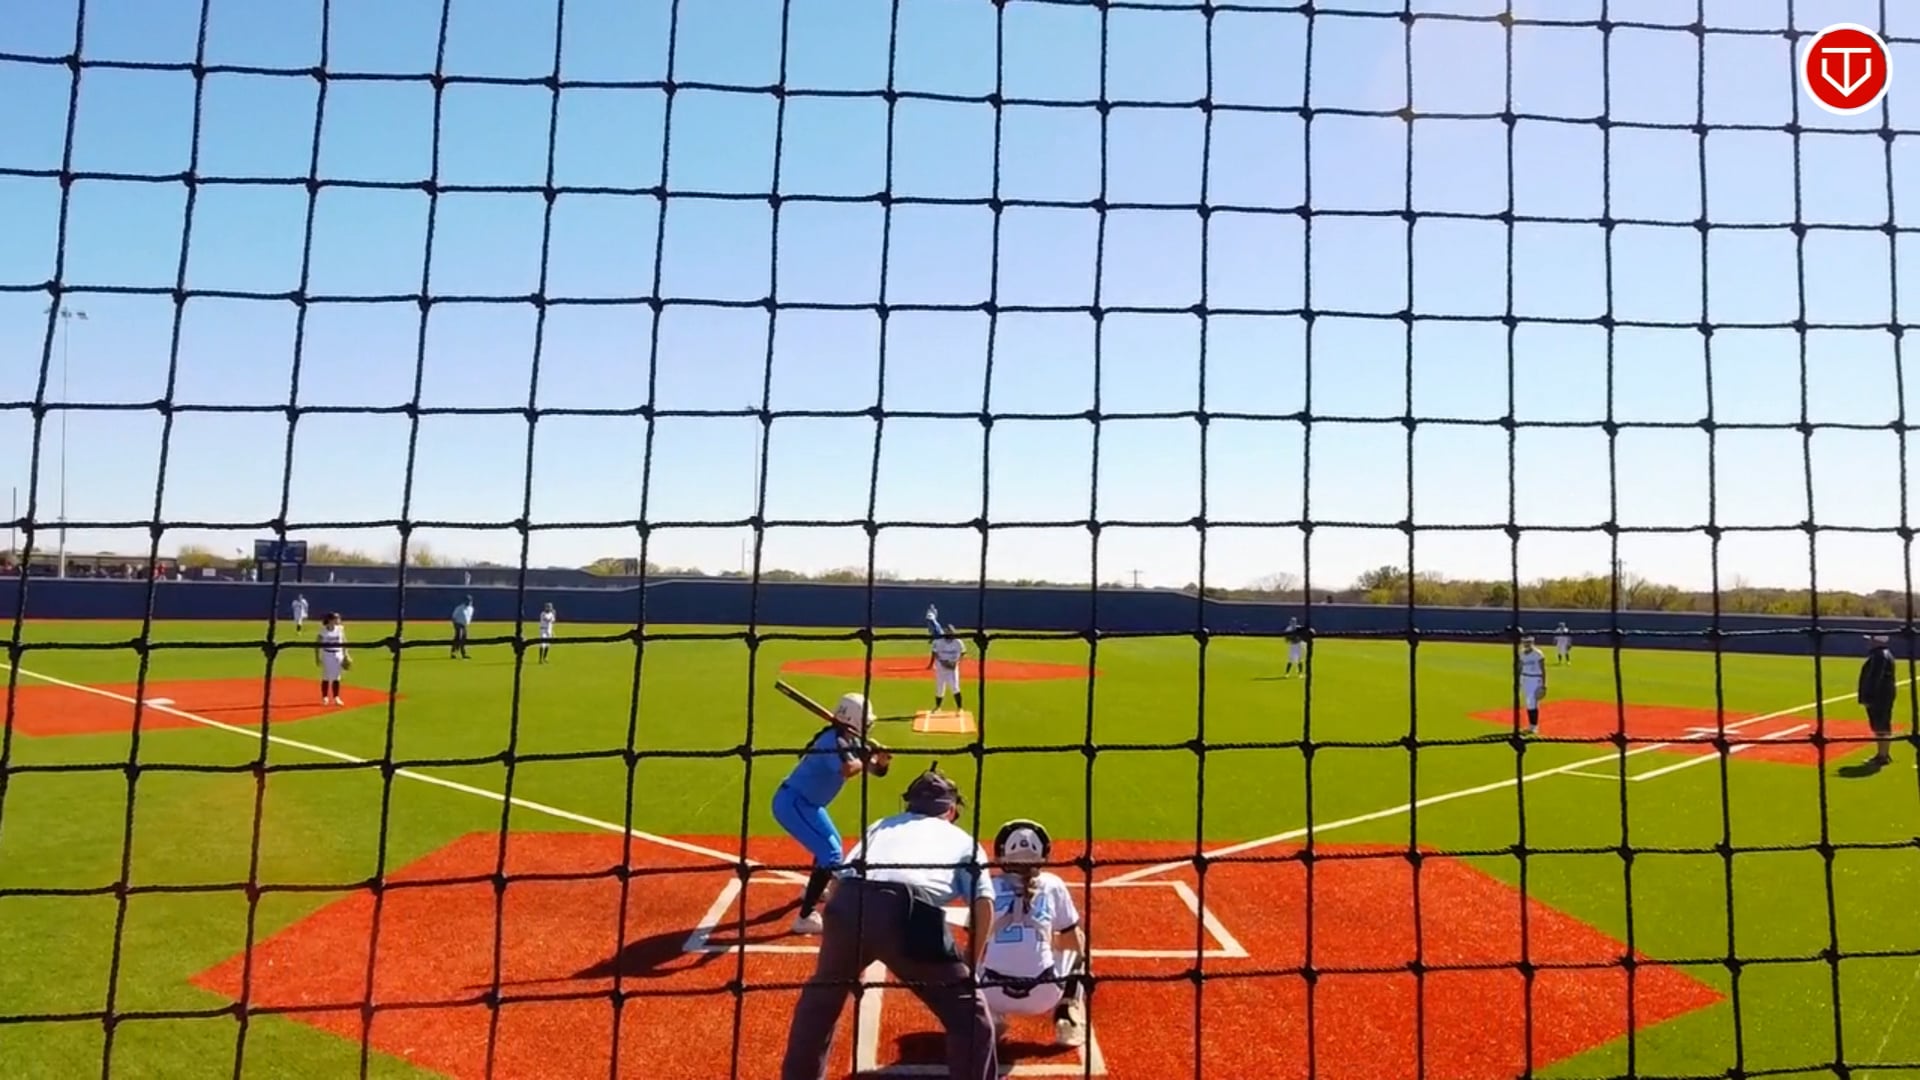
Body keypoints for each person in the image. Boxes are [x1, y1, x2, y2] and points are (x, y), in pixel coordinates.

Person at [780, 764, 999, 1080]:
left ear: (908, 804)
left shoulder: (881, 825)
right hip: (906, 913)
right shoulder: (964, 840)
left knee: (819, 1003)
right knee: (971, 1019)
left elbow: (839, 882)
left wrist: (842, 947)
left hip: (847, 904)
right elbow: (984, 904)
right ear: (951, 810)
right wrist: (971, 967)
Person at [774, 692, 892, 934]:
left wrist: (881, 760)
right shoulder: (833, 740)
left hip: (809, 805)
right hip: (794, 803)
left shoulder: (849, 739)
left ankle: (812, 890)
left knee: (832, 847)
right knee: (831, 854)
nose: (869, 725)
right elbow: (848, 769)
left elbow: (876, 772)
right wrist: (866, 756)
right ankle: (804, 918)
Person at [980, 818, 1089, 1050]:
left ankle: (988, 1018)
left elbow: (974, 942)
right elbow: (1074, 943)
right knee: (1079, 941)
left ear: (1000, 854)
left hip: (991, 992)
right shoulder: (1053, 884)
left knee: (967, 954)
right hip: (1044, 995)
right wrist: (1047, 940)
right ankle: (1067, 1015)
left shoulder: (986, 885)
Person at [1858, 633, 1897, 769]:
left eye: (1871, 640)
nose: (1869, 643)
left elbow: (1875, 677)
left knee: (1881, 725)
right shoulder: (1881, 655)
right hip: (1883, 695)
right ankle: (1882, 754)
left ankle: (1882, 756)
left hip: (1880, 696)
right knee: (1881, 724)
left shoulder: (1880, 656)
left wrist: (1868, 696)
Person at [928, 624, 966, 716]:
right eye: (948, 632)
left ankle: (960, 708)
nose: (950, 634)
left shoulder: (958, 642)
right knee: (940, 687)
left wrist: (956, 662)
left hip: (952, 668)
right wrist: (942, 662)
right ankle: (938, 707)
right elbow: (935, 652)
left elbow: (963, 652)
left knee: (955, 687)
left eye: (951, 632)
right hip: (941, 667)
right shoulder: (939, 641)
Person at [314, 612, 350, 706]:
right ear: (330, 620)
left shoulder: (340, 629)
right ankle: (325, 697)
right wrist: (317, 657)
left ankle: (336, 697)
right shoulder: (323, 630)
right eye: (336, 618)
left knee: (337, 677)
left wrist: (346, 654)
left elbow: (344, 641)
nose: (338, 620)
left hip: (338, 654)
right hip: (327, 654)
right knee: (326, 676)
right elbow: (317, 644)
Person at [1518, 634, 1547, 736]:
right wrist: (1518, 680)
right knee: (1528, 702)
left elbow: (1543, 669)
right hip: (1524, 678)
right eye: (1525, 642)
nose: (1526, 644)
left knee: (1532, 702)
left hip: (1535, 679)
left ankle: (1534, 726)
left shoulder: (1538, 654)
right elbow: (1520, 667)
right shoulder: (1522, 653)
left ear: (1532, 643)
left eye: (1528, 642)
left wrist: (1544, 685)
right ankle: (1532, 725)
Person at [450, 595, 474, 659]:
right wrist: (455, 626)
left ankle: (461, 653)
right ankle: (454, 653)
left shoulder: (471, 608)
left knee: (463, 639)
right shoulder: (459, 608)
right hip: (458, 624)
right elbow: (454, 617)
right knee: (459, 638)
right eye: (468, 601)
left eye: (470, 601)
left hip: (464, 625)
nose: (469, 602)